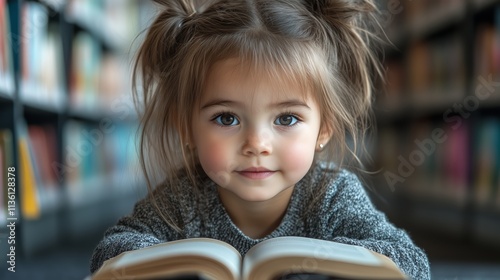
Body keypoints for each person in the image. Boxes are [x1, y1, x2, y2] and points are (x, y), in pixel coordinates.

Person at [90, 0, 430, 279]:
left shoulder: (332, 195)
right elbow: (110, 253)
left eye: (286, 119)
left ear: (323, 128)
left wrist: (327, 266)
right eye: (227, 118)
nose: (256, 143)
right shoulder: (183, 198)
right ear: (186, 128)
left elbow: (411, 262)